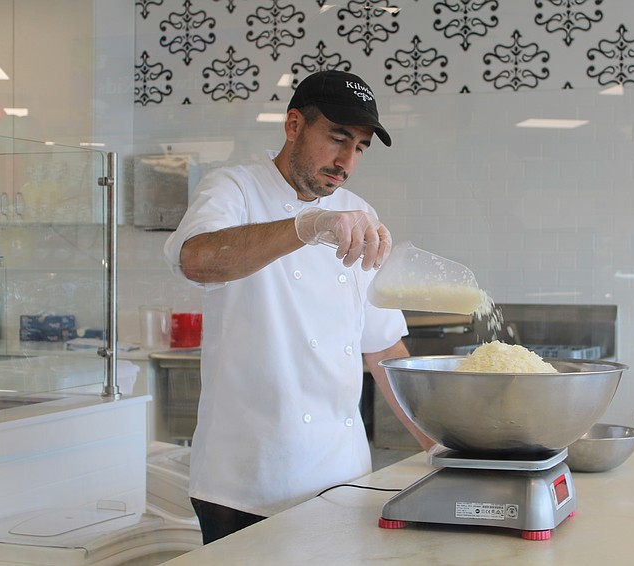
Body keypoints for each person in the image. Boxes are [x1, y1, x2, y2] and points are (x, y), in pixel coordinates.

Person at [163, 69, 434, 545]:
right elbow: (195, 258)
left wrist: (437, 443)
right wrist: (306, 227)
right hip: (245, 484)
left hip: (342, 475)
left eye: (361, 147)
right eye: (337, 138)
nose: (347, 160)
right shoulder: (234, 189)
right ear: (293, 125)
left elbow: (383, 349)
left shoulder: (359, 213)